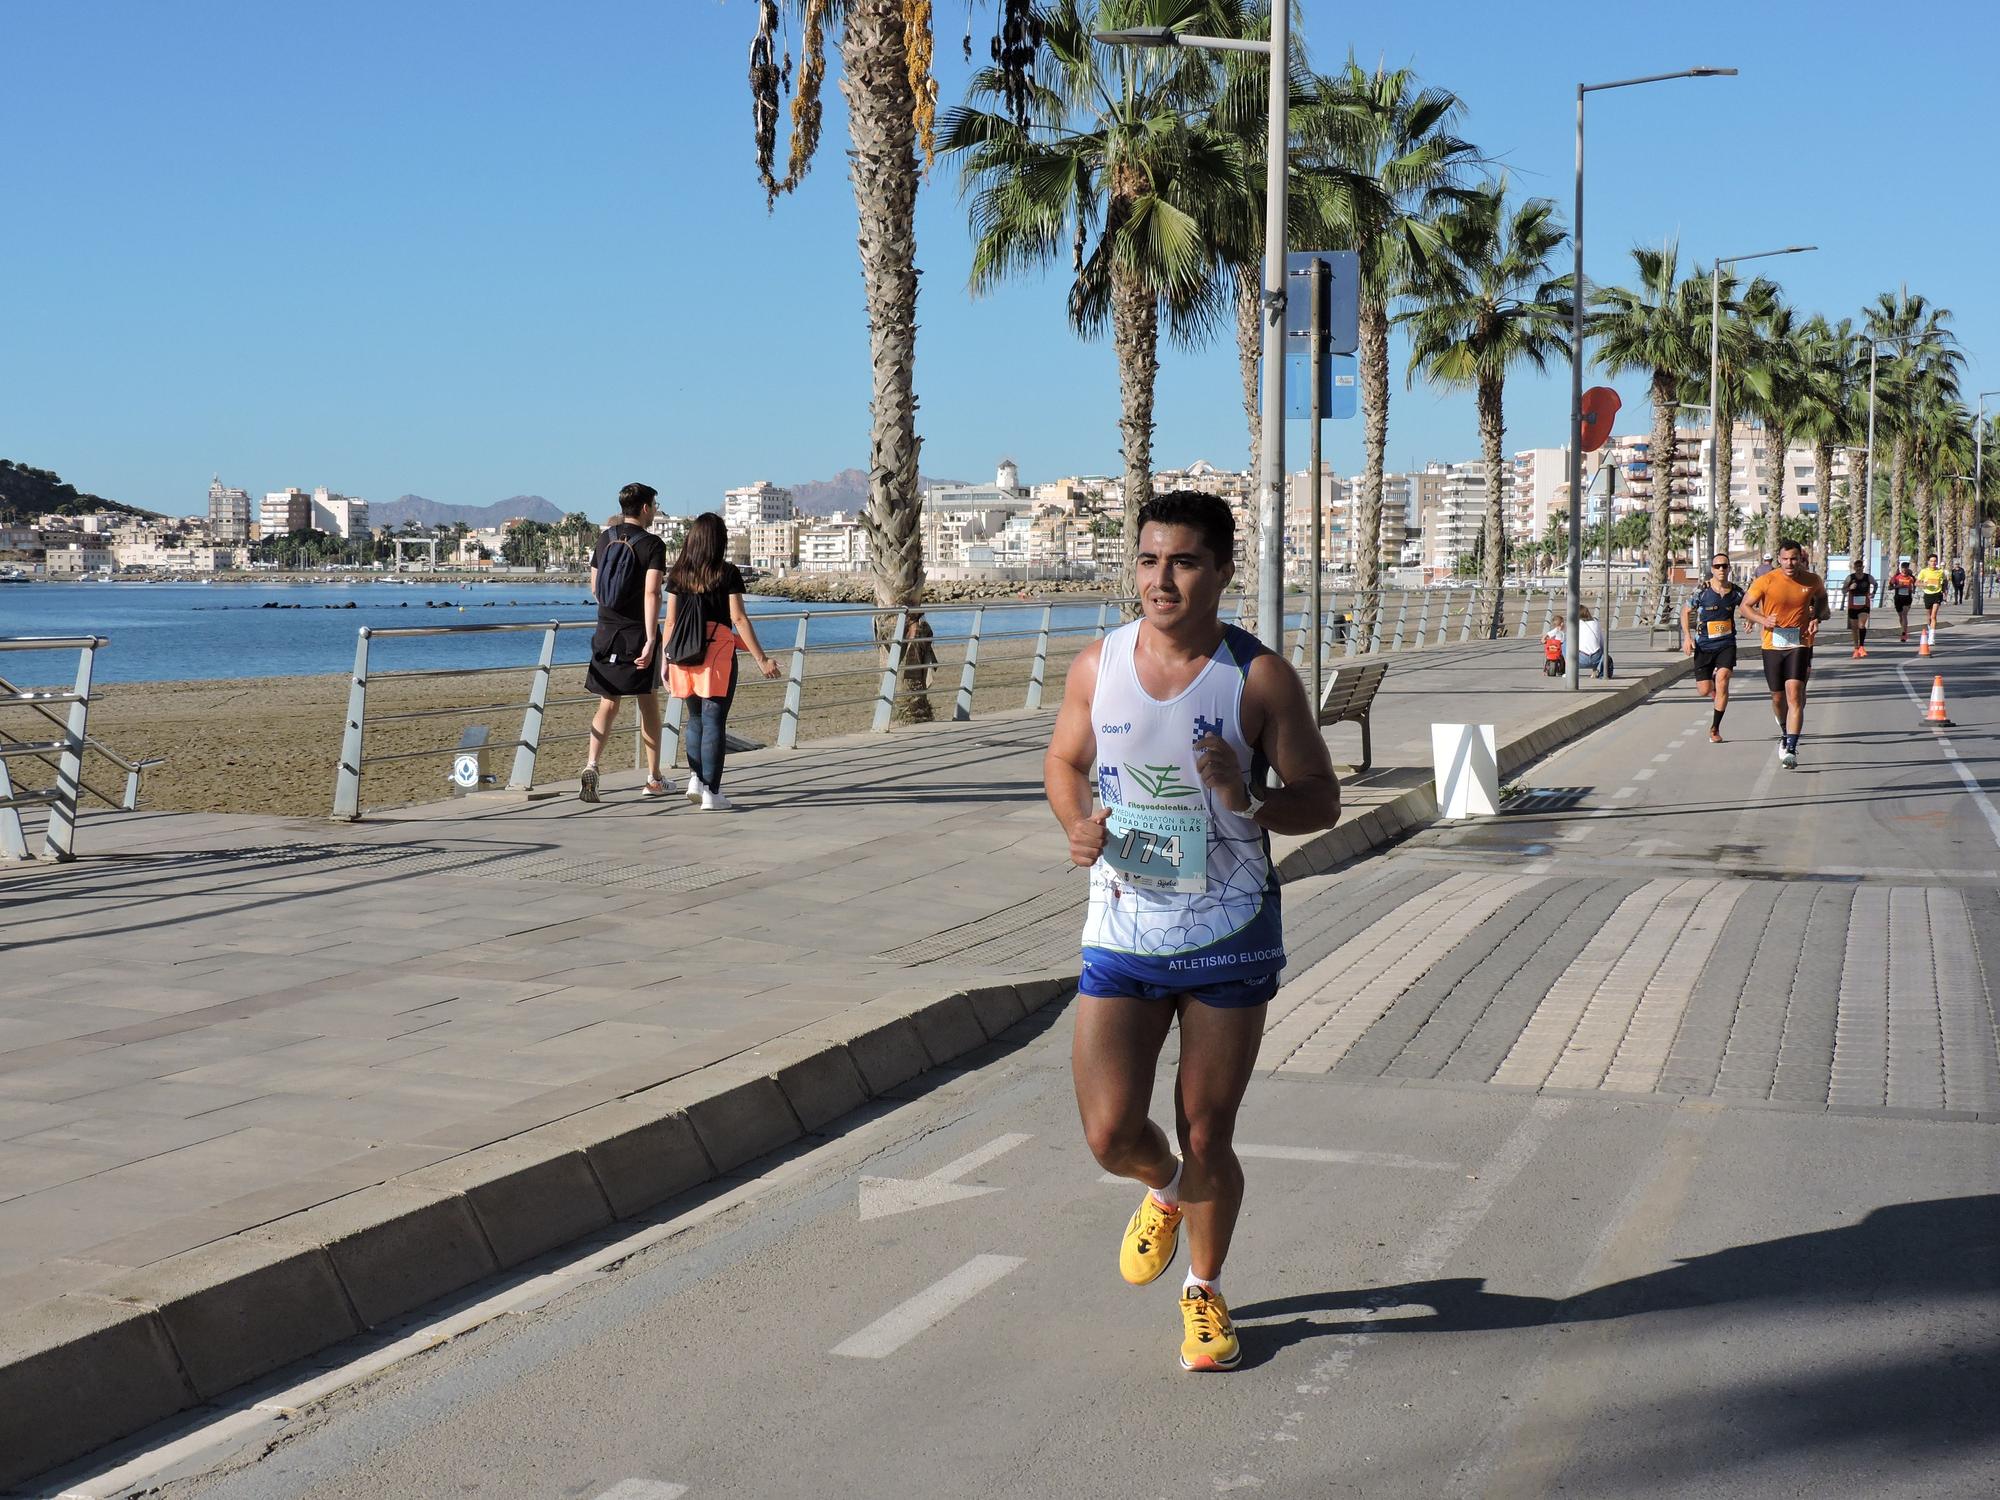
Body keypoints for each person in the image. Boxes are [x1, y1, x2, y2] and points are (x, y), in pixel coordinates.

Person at [1043, 490, 1340, 1373]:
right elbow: (1065, 760)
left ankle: (1204, 1294)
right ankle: (1163, 1190)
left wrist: (1247, 797)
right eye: (1146, 560)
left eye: (1181, 562)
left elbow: (1321, 800)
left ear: (1221, 572)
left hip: (1230, 929)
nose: (1159, 579)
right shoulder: (1098, 666)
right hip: (1125, 925)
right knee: (1108, 1133)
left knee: (1208, 1129)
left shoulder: (1258, 677)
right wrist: (1077, 823)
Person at [661, 513, 782, 811]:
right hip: (717, 652)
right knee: (714, 719)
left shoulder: (679, 573)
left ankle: (695, 779)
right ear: (720, 541)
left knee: (695, 719)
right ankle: (712, 793)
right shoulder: (726, 573)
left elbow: (671, 621)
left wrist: (665, 659)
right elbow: (738, 618)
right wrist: (762, 659)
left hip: (684, 653)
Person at [580, 483, 668, 803]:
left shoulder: (606, 537)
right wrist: (651, 639)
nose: (656, 510)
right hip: (635, 634)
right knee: (648, 703)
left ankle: (592, 764)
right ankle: (654, 778)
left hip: (606, 632)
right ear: (645, 507)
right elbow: (652, 593)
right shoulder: (653, 544)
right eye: (655, 505)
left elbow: (594, 586)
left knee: (608, 702)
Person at [1743, 539, 1831, 770]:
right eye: (1785, 559)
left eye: (1794, 559)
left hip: (1798, 643)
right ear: (1778, 559)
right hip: (1772, 645)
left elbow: (1822, 598)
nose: (1790, 563)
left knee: (1795, 694)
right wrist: (1763, 619)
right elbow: (1744, 607)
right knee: (1778, 697)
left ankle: (1791, 747)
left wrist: (1815, 618)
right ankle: (1784, 730)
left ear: (1800, 559)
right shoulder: (1766, 580)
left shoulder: (1812, 580)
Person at [1681, 554, 1744, 741]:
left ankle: (1715, 728)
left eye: (1725, 566)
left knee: (1724, 679)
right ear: (1712, 569)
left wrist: (1750, 618)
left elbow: (1749, 605)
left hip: (1726, 644)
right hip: (1704, 645)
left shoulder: (1736, 592)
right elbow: (1686, 611)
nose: (1721, 569)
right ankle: (1713, 685)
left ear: (1729, 568)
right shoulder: (1702, 591)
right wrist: (1687, 637)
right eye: (1717, 566)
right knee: (1703, 690)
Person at [1841, 560, 1875, 658]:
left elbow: (1875, 584)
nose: (1859, 568)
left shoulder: (1867, 577)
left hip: (1864, 605)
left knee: (1861, 625)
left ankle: (1861, 646)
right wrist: (1849, 588)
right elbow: (1843, 591)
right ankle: (1856, 648)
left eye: (1860, 566)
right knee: (1854, 628)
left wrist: (1873, 593)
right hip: (1853, 606)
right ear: (1854, 568)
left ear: (1863, 567)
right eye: (1857, 567)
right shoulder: (1850, 578)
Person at [1918, 553, 1948, 636]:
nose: (1933, 563)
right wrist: (1923, 585)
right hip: (1928, 594)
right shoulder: (1924, 571)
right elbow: (1917, 582)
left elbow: (1945, 582)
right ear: (1928, 562)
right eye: (1931, 561)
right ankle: (1929, 626)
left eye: (1935, 561)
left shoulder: (1940, 572)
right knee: (1929, 617)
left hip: (1937, 594)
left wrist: (1945, 592)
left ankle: (1931, 637)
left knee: (1933, 616)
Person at [1575, 605, 1606, 677]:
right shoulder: (1595, 623)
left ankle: (1569, 669)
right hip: (1596, 659)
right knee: (1598, 645)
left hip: (1580, 660)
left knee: (1565, 644)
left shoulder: (1576, 624)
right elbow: (1602, 643)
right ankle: (1595, 670)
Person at [1889, 560, 1916, 641]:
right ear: (1901, 569)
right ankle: (1903, 630)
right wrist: (1897, 586)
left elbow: (1915, 584)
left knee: (1904, 615)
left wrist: (1913, 589)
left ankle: (1904, 633)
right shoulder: (1896, 577)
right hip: (1898, 598)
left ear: (1908, 569)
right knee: (1901, 616)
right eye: (1903, 568)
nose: (1904, 570)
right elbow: (1889, 588)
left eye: (1906, 568)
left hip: (1907, 598)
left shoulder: (1911, 577)